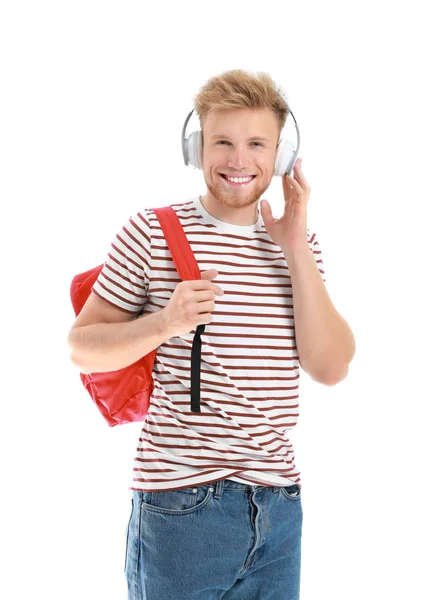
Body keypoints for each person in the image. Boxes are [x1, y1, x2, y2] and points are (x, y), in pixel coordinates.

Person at [68, 69, 356, 600]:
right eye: (222, 141)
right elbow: (82, 347)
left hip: (279, 503)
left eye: (256, 144)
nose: (239, 160)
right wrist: (165, 323)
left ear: (282, 153)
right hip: (184, 508)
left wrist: (294, 246)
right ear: (197, 147)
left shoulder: (299, 245)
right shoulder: (151, 231)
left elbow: (331, 367)